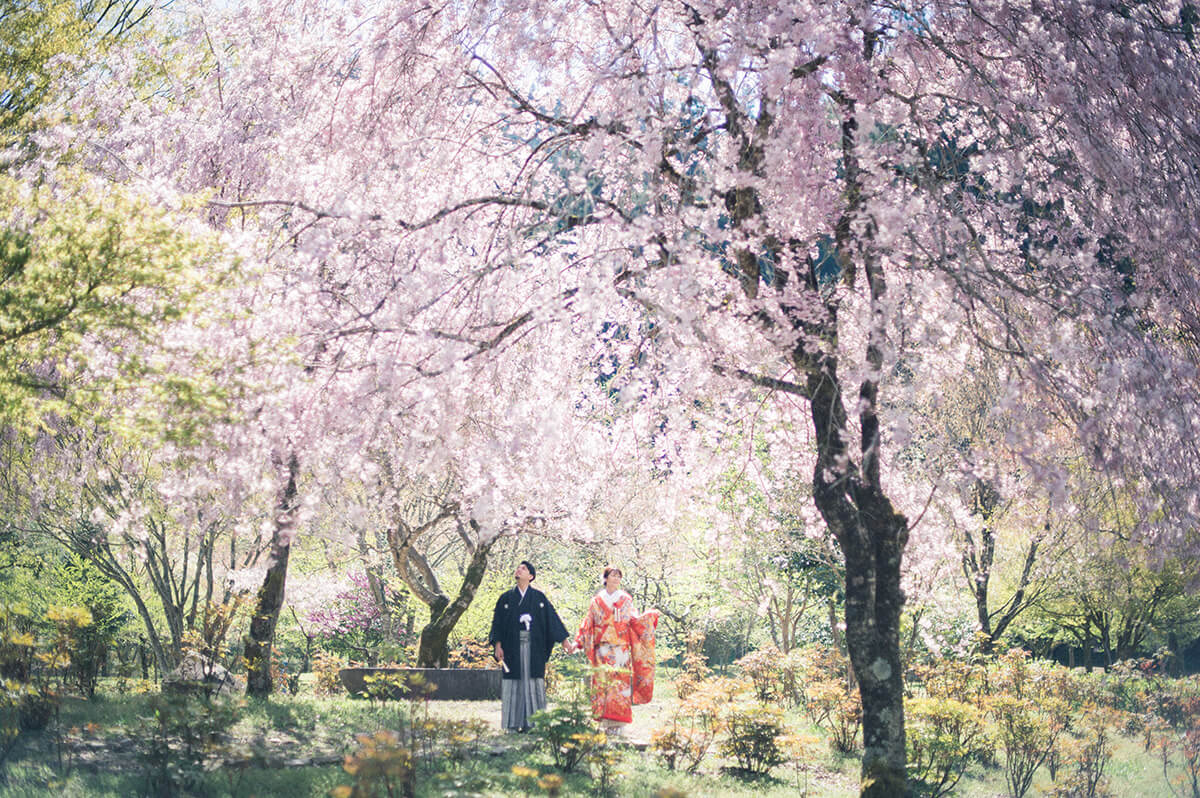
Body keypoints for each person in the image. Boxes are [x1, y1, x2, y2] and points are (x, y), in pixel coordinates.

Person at [573, 565, 659, 734]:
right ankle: (605, 722)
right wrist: (578, 641)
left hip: (620, 648)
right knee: (602, 684)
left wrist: (648, 617)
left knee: (619, 686)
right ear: (605, 578)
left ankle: (618, 725)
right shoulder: (596, 600)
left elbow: (634, 620)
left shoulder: (626, 599)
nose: (616, 579)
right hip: (602, 648)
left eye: (618, 576)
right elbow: (588, 623)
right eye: (612, 575)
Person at [488, 560, 570, 731]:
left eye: (523, 568)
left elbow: (552, 620)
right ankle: (512, 723)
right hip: (511, 647)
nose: (519, 569)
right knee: (513, 682)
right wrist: (497, 645)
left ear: (531, 576)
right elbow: (497, 623)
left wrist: (564, 640)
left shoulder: (539, 598)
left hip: (534, 648)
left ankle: (534, 724)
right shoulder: (505, 598)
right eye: (518, 567)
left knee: (533, 681)